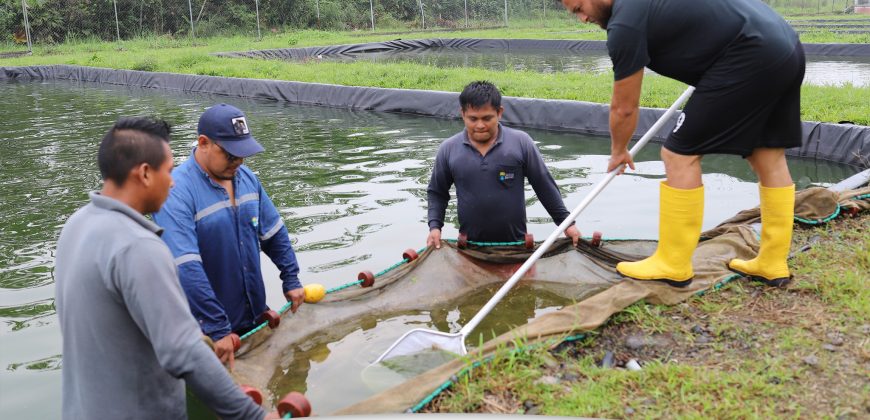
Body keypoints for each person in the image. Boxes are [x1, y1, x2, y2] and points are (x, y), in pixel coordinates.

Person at [560, 0, 803, 287]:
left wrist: (618, 150)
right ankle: (772, 262)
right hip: (786, 44)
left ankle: (672, 263)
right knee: (767, 154)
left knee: (678, 154)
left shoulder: (624, 24)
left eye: (579, 9)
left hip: (749, 53)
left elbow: (624, 108)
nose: (583, 19)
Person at [54, 117, 265, 419]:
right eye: (167, 171)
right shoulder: (139, 246)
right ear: (144, 174)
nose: (173, 181)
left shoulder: (77, 224)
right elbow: (184, 352)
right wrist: (253, 415)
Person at [153, 104, 305, 369]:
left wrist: (290, 277)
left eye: (243, 154)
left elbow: (273, 233)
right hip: (205, 332)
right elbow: (186, 266)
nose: (239, 162)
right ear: (203, 143)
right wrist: (217, 328)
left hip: (252, 318)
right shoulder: (176, 192)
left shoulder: (246, 179)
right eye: (231, 155)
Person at [427, 81, 581, 249]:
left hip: (516, 245)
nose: (480, 125)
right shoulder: (448, 149)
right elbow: (437, 192)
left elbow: (543, 185)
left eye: (487, 118)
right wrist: (435, 227)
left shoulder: (521, 143)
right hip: (469, 247)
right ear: (462, 114)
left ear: (499, 113)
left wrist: (567, 224)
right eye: (473, 119)